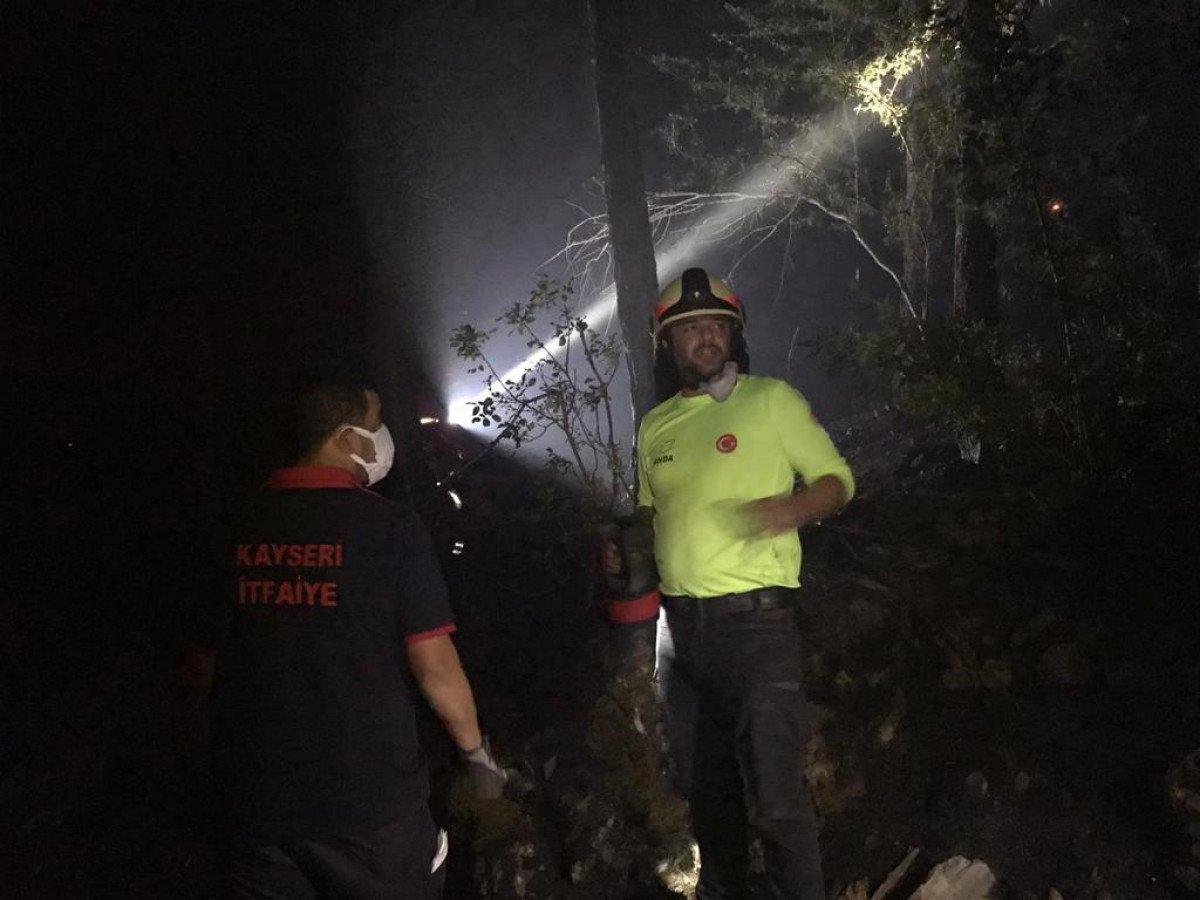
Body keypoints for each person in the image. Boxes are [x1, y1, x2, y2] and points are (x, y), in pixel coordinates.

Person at [188, 377, 504, 898]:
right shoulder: (388, 529)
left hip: (257, 807)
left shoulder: (238, 524)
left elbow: (204, 666)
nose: (384, 439)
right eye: (375, 424)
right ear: (347, 439)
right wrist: (475, 754)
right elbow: (434, 664)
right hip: (371, 812)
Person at [635, 268, 855, 899]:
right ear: (668, 345)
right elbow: (652, 514)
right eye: (688, 329)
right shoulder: (656, 428)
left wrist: (792, 510)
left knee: (777, 801)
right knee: (708, 798)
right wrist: (626, 552)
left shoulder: (772, 401)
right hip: (678, 635)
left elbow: (837, 481)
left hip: (757, 627)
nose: (704, 337)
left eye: (715, 326)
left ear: (732, 335)